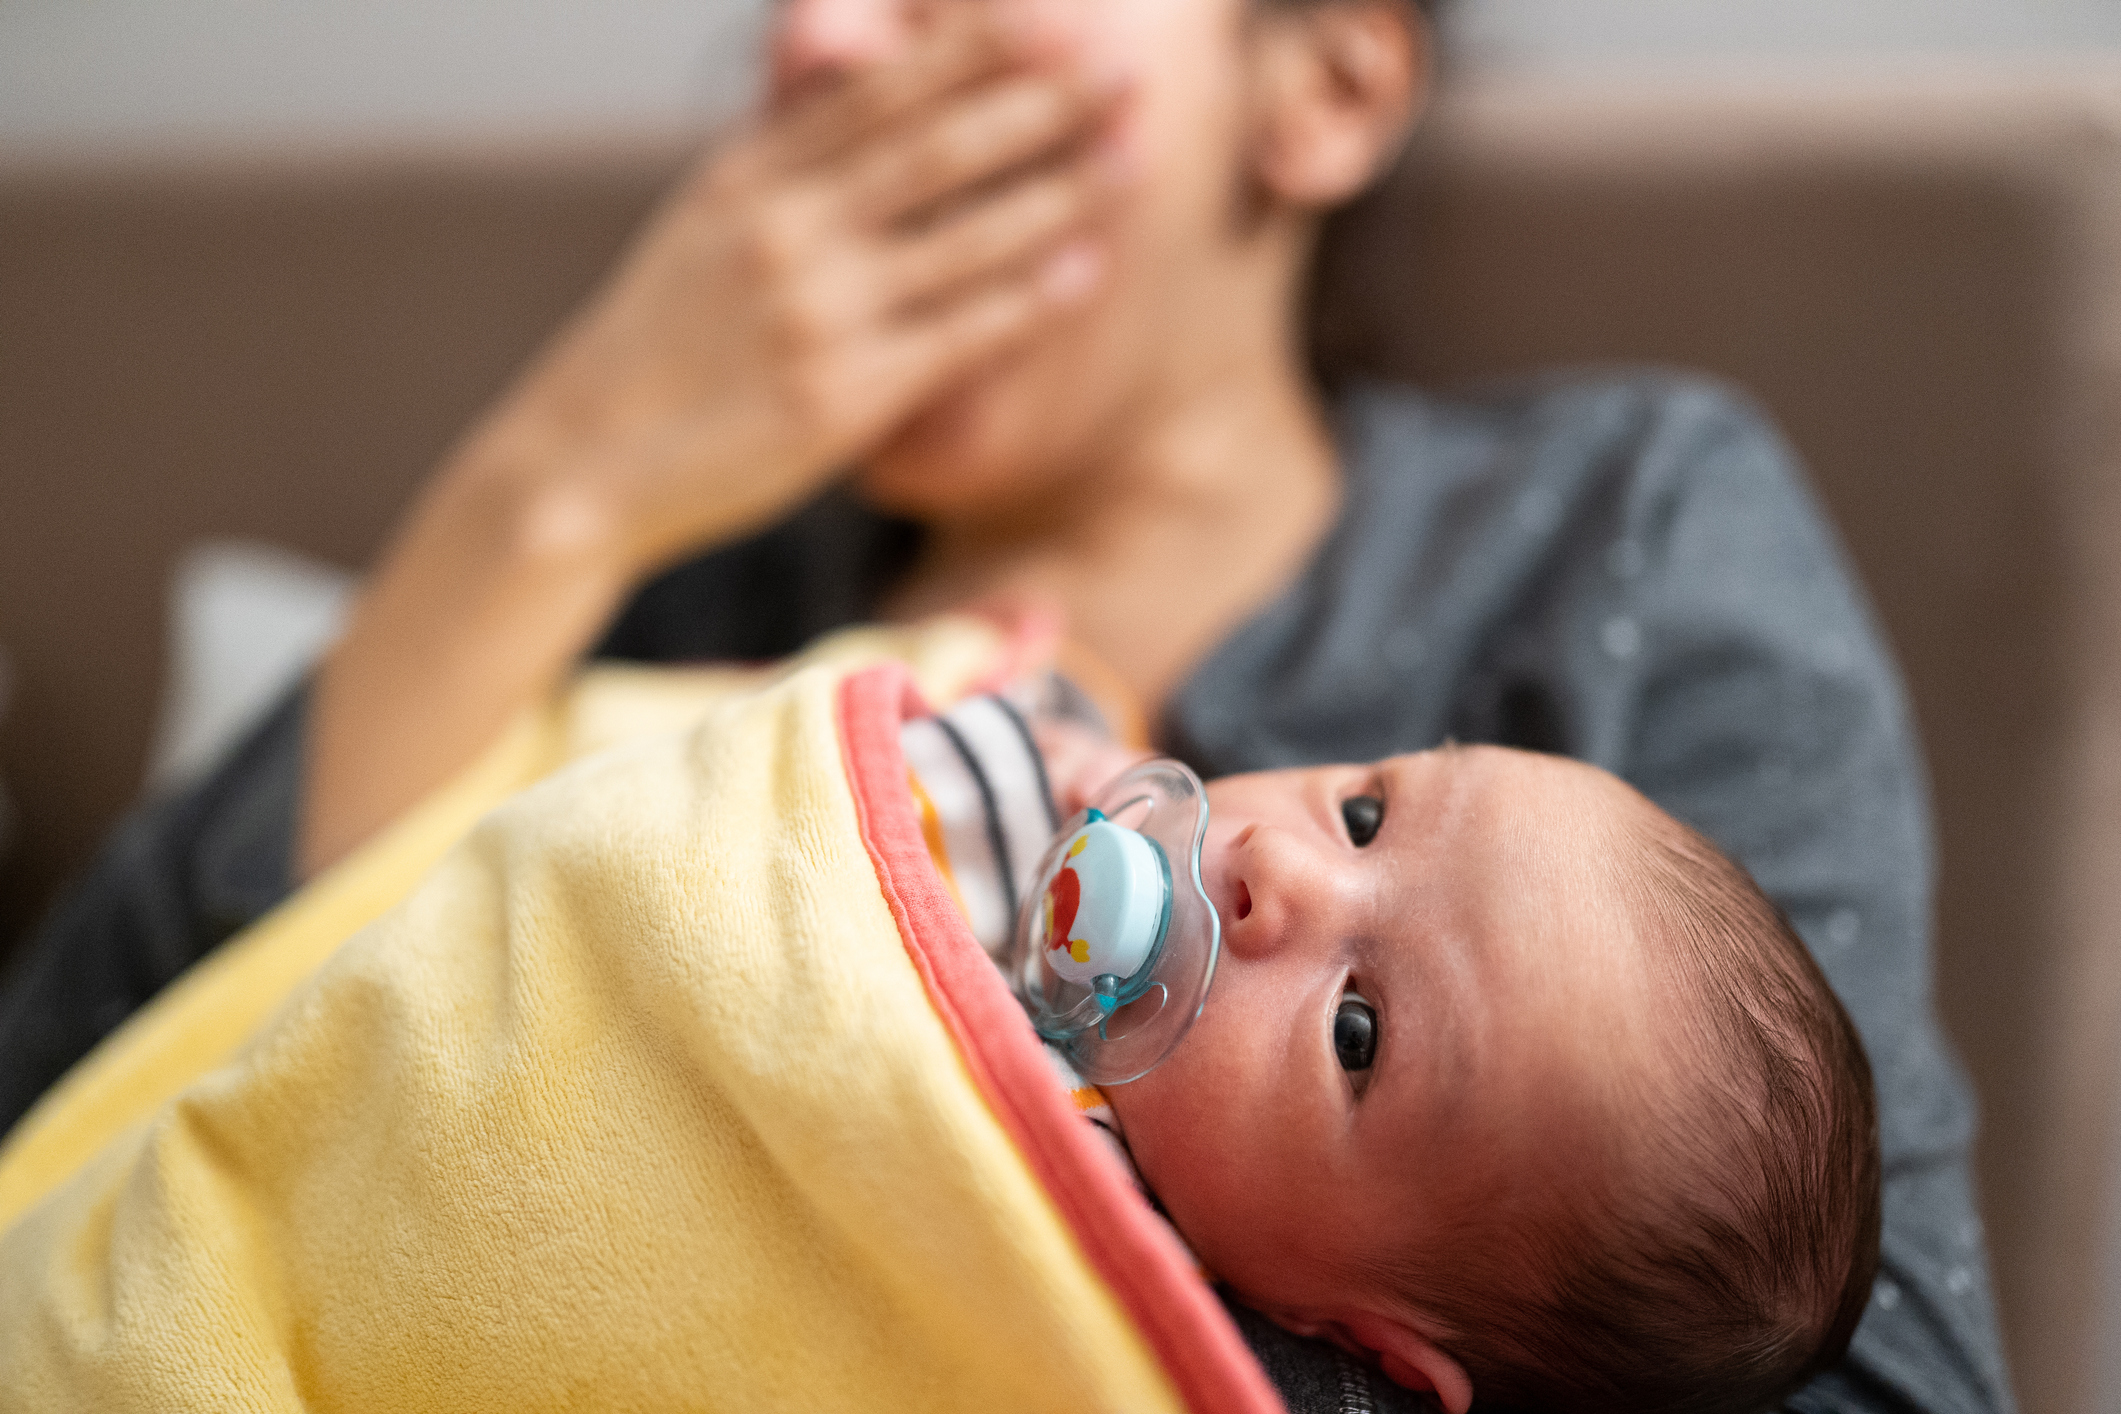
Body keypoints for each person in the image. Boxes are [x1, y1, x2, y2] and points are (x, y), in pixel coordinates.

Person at [0, 1, 2014, 1411]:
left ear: (1317, 82)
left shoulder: (1601, 525)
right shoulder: (691, 584)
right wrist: (560, 483)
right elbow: (88, 1126)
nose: (818, 44)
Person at [916, 687, 1880, 1414]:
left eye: (1355, 1033)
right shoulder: (1098, 784)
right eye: (1363, 818)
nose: (1278, 863)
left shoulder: (1085, 1290)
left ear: (1359, 1337)